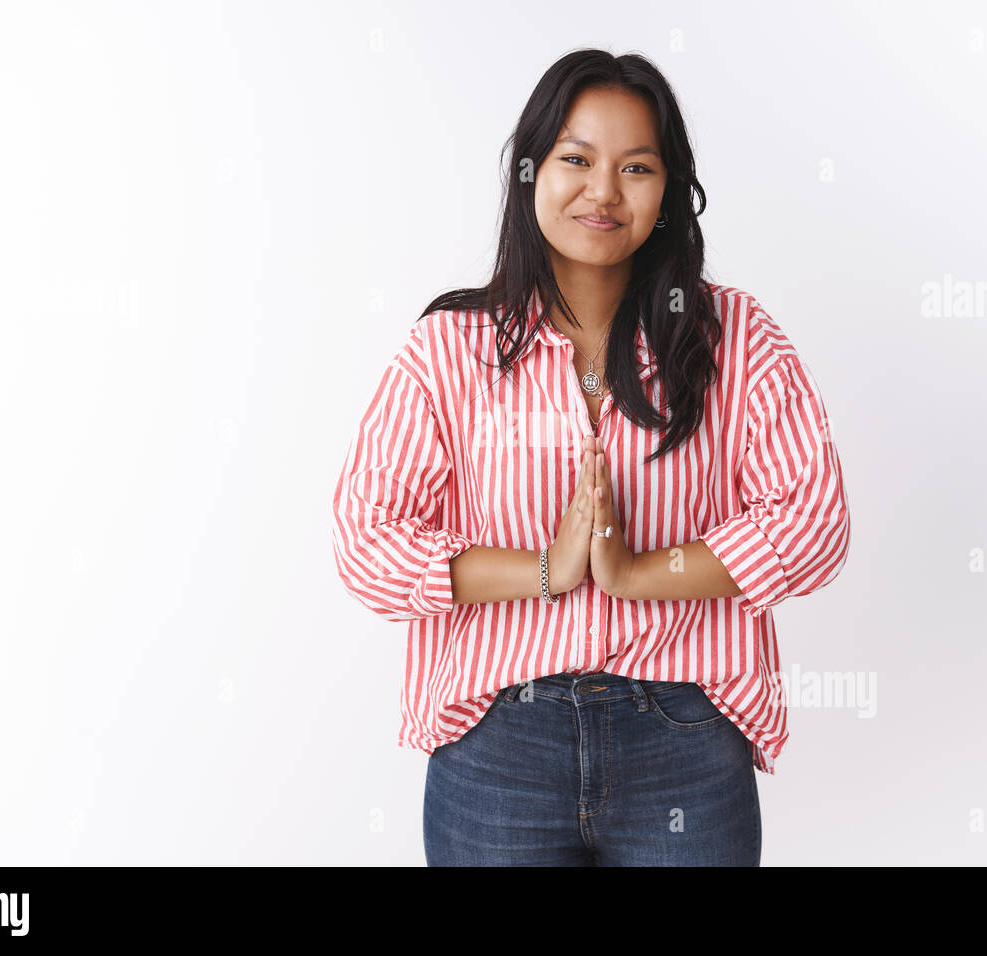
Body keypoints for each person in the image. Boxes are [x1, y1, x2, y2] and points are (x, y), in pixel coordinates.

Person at [331, 49, 851, 866]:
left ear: (670, 190)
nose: (603, 191)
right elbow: (367, 546)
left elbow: (814, 523)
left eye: (636, 167)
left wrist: (642, 574)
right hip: (497, 745)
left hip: (685, 741)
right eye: (577, 159)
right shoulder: (447, 351)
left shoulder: (736, 340)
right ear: (532, 170)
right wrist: (547, 569)